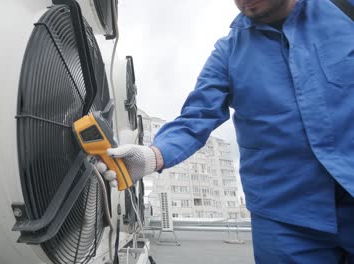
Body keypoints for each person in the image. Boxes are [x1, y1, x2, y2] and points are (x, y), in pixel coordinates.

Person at [103, 0, 354, 263]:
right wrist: (150, 157)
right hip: (284, 219)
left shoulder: (344, 12)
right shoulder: (228, 52)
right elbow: (196, 117)